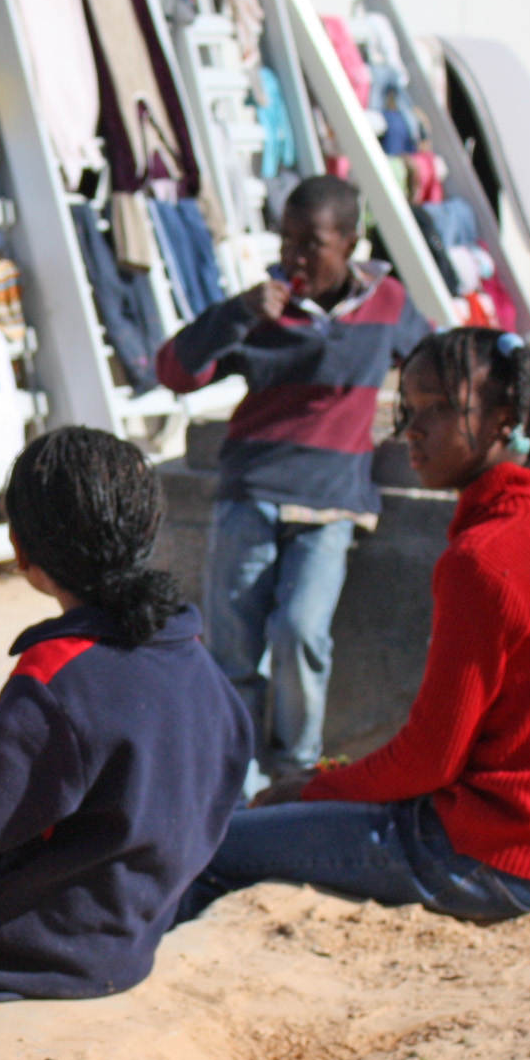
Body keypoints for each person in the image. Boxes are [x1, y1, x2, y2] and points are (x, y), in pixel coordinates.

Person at [175, 328, 530, 925]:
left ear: (503, 418)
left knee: (209, 849)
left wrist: (308, 788)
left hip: (489, 859)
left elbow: (428, 761)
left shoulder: (485, 557)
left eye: (437, 409)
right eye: (406, 408)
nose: (411, 429)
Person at [0, 428, 253, 1000]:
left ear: (21, 549)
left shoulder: (62, 677)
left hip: (26, 957)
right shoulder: (194, 658)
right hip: (131, 939)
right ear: (148, 529)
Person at [154, 173, 430, 787]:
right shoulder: (260, 311)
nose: (295, 257)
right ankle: (236, 772)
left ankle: (296, 767)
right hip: (250, 494)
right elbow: (174, 369)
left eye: (313, 243)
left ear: (352, 243)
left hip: (332, 503)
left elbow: (434, 359)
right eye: (287, 241)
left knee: (302, 633)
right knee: (231, 649)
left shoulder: (386, 304)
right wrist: (235, 314)